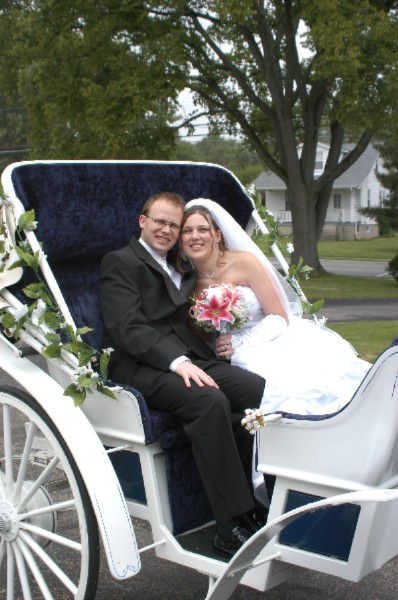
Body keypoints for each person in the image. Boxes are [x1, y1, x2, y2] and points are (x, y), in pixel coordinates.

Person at [99, 191, 267, 557]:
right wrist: (178, 363)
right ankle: (229, 523)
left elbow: (188, 319)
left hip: (191, 356)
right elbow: (127, 328)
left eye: (173, 225)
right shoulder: (121, 262)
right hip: (141, 366)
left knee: (254, 390)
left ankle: (252, 497)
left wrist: (220, 335)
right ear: (142, 221)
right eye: (159, 221)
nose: (166, 229)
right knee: (209, 402)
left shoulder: (182, 264)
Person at [179, 198, 372, 499]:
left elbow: (279, 316)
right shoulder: (189, 285)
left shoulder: (244, 261)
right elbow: (200, 335)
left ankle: (346, 466)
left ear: (217, 234)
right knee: (266, 402)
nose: (195, 236)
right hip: (236, 357)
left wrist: (242, 341)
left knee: (305, 391)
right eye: (187, 230)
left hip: (276, 339)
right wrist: (218, 341)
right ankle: (296, 483)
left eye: (202, 229)